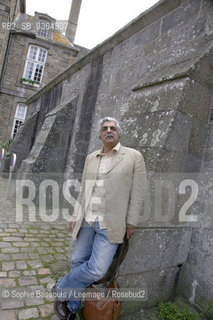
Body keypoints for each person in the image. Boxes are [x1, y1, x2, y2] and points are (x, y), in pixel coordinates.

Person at [54, 117, 147, 320]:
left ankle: (60, 287)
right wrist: (75, 214)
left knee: (97, 270)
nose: (109, 131)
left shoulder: (133, 157)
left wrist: (131, 222)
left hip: (110, 224)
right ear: (99, 135)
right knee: (78, 260)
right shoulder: (91, 158)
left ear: (119, 133)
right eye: (104, 128)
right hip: (87, 219)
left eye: (113, 128)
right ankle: (71, 306)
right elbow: (83, 191)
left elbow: (138, 193)